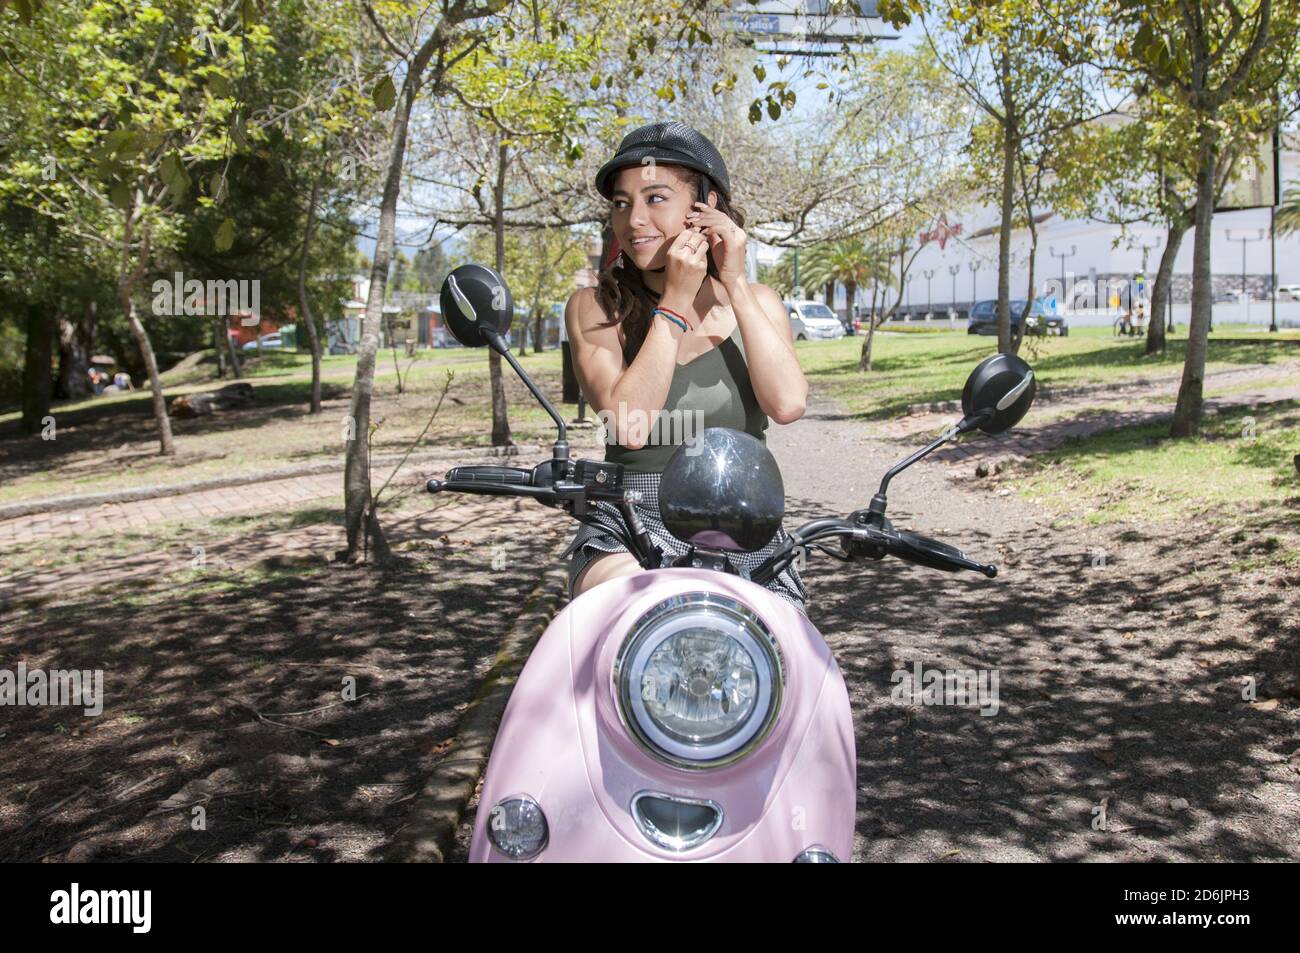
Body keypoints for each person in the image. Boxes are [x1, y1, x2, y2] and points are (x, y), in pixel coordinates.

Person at [562, 121, 809, 609]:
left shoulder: (757, 301)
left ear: (706, 208)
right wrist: (673, 306)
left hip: (742, 520)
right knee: (633, 607)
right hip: (628, 520)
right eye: (621, 202)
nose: (634, 219)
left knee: (784, 650)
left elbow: (787, 404)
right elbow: (629, 427)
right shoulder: (596, 306)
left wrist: (735, 284)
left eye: (656, 198)